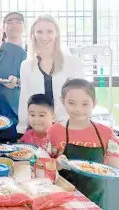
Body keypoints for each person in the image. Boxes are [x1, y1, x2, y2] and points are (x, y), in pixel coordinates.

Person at [42, 79, 119, 209]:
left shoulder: (106, 133)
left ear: (94, 104)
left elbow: (114, 165)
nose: (78, 109)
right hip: (63, 199)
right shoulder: (54, 132)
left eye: (85, 104)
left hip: (96, 198)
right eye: (72, 103)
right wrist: (56, 164)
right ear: (62, 101)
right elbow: (40, 164)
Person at [17, 14, 84, 136]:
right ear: (33, 35)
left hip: (67, 128)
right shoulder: (26, 65)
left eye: (49, 31)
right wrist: (22, 128)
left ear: (56, 33)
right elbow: (24, 98)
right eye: (40, 32)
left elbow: (81, 97)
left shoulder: (73, 62)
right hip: (38, 130)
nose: (45, 36)